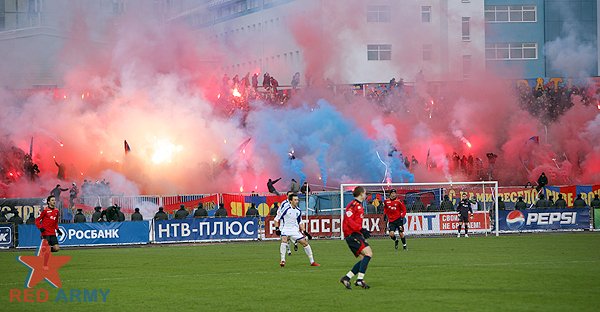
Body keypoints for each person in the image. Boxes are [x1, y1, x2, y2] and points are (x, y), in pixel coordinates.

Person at [273, 193, 319, 267]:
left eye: (297, 200)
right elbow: (276, 219)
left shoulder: (298, 210)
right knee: (284, 240)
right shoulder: (285, 208)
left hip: (294, 230)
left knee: (305, 243)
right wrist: (277, 228)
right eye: (295, 200)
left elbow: (300, 222)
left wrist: (305, 232)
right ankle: (282, 260)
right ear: (290, 201)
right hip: (285, 228)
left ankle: (312, 262)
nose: (297, 201)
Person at [339, 186, 372, 289]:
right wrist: (361, 229)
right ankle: (359, 280)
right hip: (352, 234)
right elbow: (349, 220)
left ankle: (347, 278)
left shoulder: (359, 205)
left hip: (355, 233)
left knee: (363, 258)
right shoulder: (353, 205)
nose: (366, 195)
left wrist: (361, 230)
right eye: (365, 193)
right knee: (368, 253)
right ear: (361, 194)